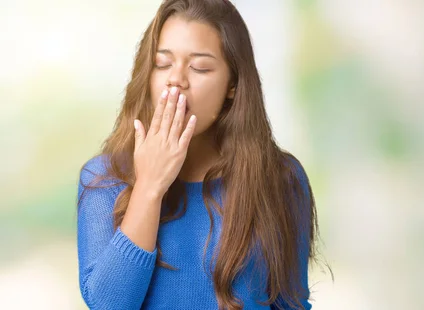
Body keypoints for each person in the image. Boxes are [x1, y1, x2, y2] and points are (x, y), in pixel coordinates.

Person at [76, 0, 320, 309]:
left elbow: (290, 304)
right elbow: (109, 304)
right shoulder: (103, 180)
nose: (176, 79)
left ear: (232, 84)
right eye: (163, 64)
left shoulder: (281, 179)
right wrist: (149, 188)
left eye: (200, 67)